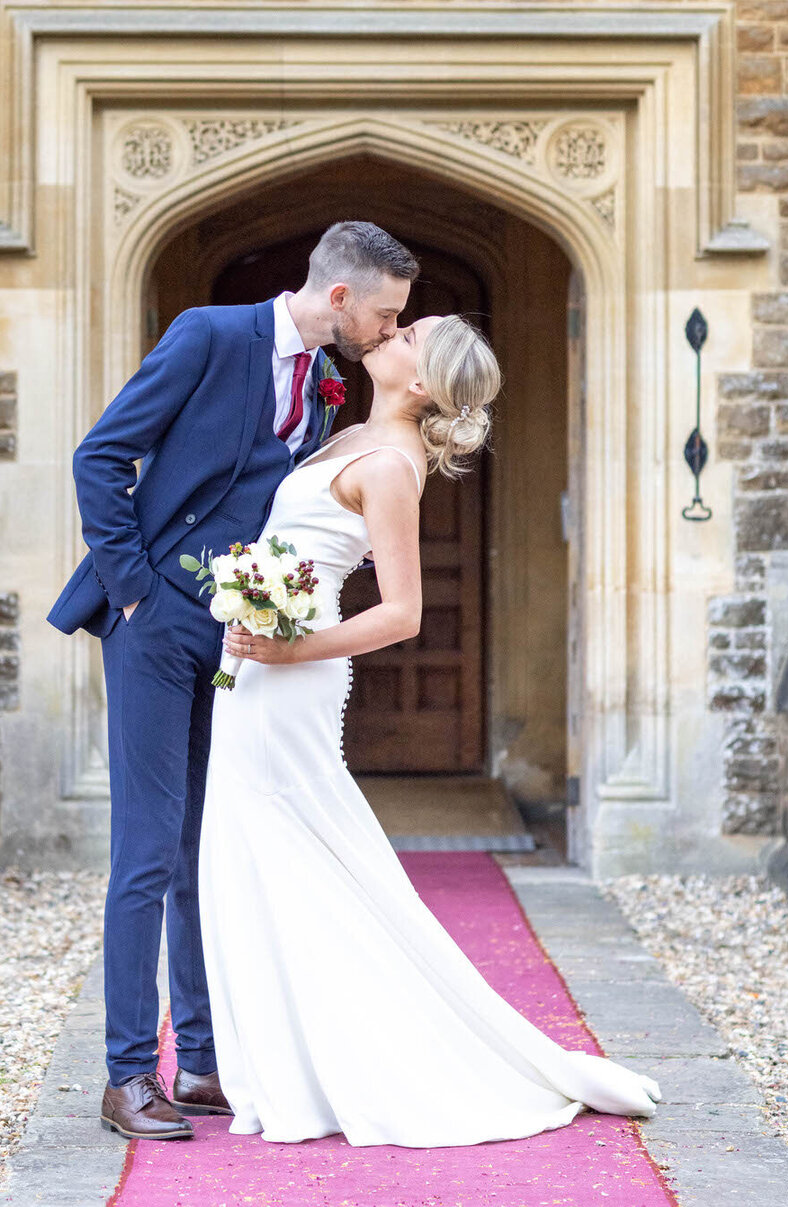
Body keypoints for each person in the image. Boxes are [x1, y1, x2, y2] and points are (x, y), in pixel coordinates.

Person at [199, 314, 661, 1146]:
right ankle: (285, 1058)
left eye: (410, 331)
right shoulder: (353, 435)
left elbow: (403, 612)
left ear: (420, 381)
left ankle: (333, 1064)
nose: (393, 329)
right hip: (260, 671)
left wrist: (288, 643)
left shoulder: (388, 464)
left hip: (290, 680)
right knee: (257, 853)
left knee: (290, 854)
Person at [46, 221, 419, 1142]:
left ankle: (205, 1062)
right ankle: (130, 1073)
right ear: (341, 298)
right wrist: (133, 593)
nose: (388, 329)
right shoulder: (211, 335)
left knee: (203, 847)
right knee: (143, 849)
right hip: (155, 622)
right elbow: (102, 455)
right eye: (386, 312)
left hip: (243, 634)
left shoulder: (328, 385)